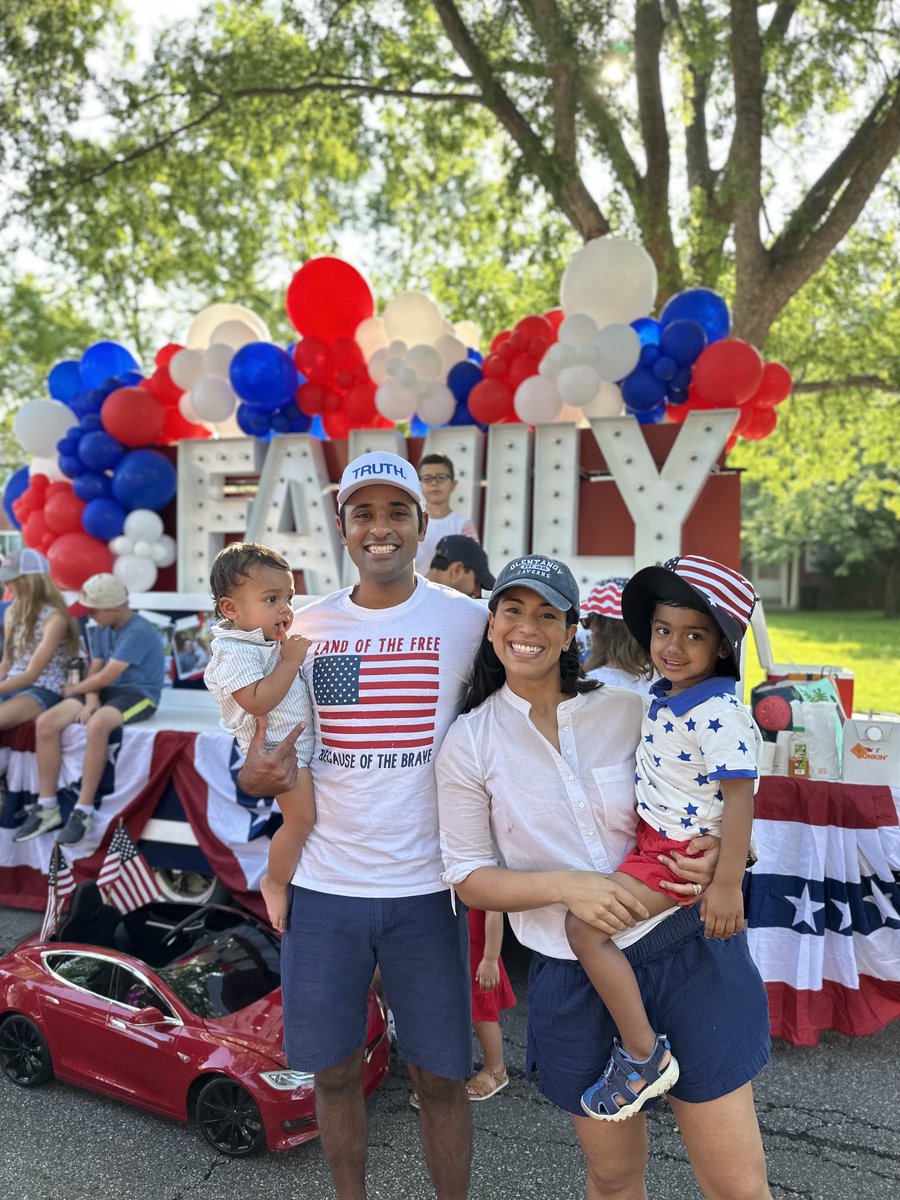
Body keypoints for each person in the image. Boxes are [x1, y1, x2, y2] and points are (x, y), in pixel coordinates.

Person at [437, 554, 772, 1199]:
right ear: (491, 623)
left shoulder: (630, 709)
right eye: (512, 610)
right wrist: (569, 886)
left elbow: (716, 792)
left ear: (572, 633)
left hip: (683, 952)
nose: (526, 626)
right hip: (572, 974)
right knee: (614, 1179)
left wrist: (731, 854)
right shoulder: (469, 742)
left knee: (736, 1185)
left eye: (547, 614)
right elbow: (469, 877)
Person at [236, 450, 487, 1200]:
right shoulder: (300, 628)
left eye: (396, 513)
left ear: (423, 522)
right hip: (325, 889)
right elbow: (255, 758)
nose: (381, 529)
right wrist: (255, 776)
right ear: (343, 528)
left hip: (427, 891)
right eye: (363, 514)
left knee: (441, 1079)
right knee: (337, 1072)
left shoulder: (470, 622)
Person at [565, 555, 762, 1120]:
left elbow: (741, 800)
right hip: (654, 841)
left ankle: (643, 1054)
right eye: (662, 630)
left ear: (722, 646)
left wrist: (727, 885)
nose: (673, 646)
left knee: (584, 929)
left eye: (694, 635)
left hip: (676, 856)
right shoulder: (668, 690)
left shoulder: (718, 712)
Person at [204, 542, 315, 932]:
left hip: (299, 746)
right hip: (282, 754)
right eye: (272, 599)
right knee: (301, 820)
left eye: (288, 597)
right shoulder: (234, 651)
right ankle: (274, 882)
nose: (285, 608)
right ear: (231, 609)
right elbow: (256, 700)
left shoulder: (262, 640)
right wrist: (289, 661)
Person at [27, 574, 165, 847]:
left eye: (93, 611)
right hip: (105, 689)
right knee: (46, 722)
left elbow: (104, 677)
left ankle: (84, 810)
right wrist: (89, 699)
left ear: (114, 609)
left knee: (98, 724)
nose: (89, 616)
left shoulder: (138, 630)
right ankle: (47, 805)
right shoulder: (102, 626)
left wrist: (76, 691)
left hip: (139, 693)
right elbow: (96, 670)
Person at [0, 549, 79, 749]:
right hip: (13, 683)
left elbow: (32, 674)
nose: (5, 584)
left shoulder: (55, 618)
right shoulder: (11, 611)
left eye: (10, 580)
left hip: (45, 688)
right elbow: (7, 662)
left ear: (28, 580)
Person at [580, 577, 655, 698]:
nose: (589, 628)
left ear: (597, 627)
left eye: (587, 621)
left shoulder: (588, 685)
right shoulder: (665, 683)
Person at [414, 453, 479, 574]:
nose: (434, 483)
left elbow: (473, 567)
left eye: (441, 477)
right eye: (427, 479)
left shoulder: (463, 524)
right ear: (419, 485)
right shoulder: (413, 523)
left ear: (453, 484)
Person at [426, 534, 495, 600]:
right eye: (477, 582)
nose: (477, 593)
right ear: (457, 570)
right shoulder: (442, 607)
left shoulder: (417, 596)